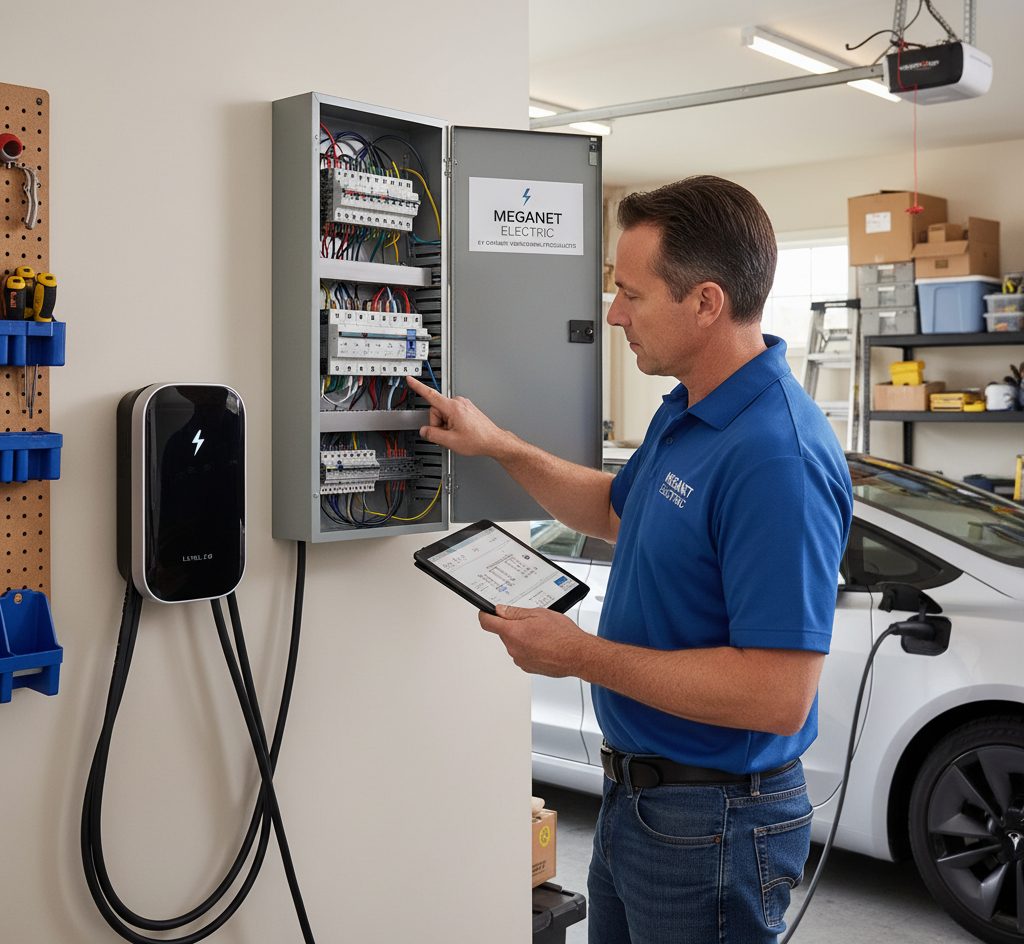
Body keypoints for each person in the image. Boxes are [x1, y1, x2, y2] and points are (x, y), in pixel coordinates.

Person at [407, 175, 853, 944]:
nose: (612, 314)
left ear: (705, 302)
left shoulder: (776, 454)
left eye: (631, 294)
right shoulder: (691, 409)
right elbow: (617, 509)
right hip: (640, 803)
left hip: (713, 824)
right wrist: (499, 446)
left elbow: (777, 693)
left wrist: (577, 655)